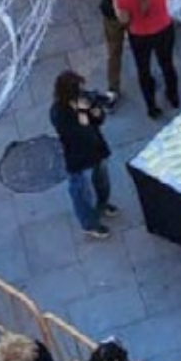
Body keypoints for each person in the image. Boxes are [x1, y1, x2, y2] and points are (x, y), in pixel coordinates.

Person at [60, 0, 146, 107]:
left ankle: (145, 78)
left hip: (135, 16)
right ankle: (113, 89)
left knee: (141, 49)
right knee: (114, 52)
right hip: (112, 16)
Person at [50, 70, 116, 240]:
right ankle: (89, 225)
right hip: (79, 159)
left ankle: (103, 205)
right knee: (81, 194)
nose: (82, 92)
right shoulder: (59, 113)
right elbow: (79, 132)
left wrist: (96, 111)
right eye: (78, 90)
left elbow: (98, 121)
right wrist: (82, 111)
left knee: (102, 183)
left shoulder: (83, 99)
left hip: (96, 150)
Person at [115, 0, 180, 120]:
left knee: (143, 71)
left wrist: (113, 0)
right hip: (164, 30)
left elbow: (124, 20)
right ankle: (173, 97)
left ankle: (152, 107)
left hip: (140, 37)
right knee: (167, 64)